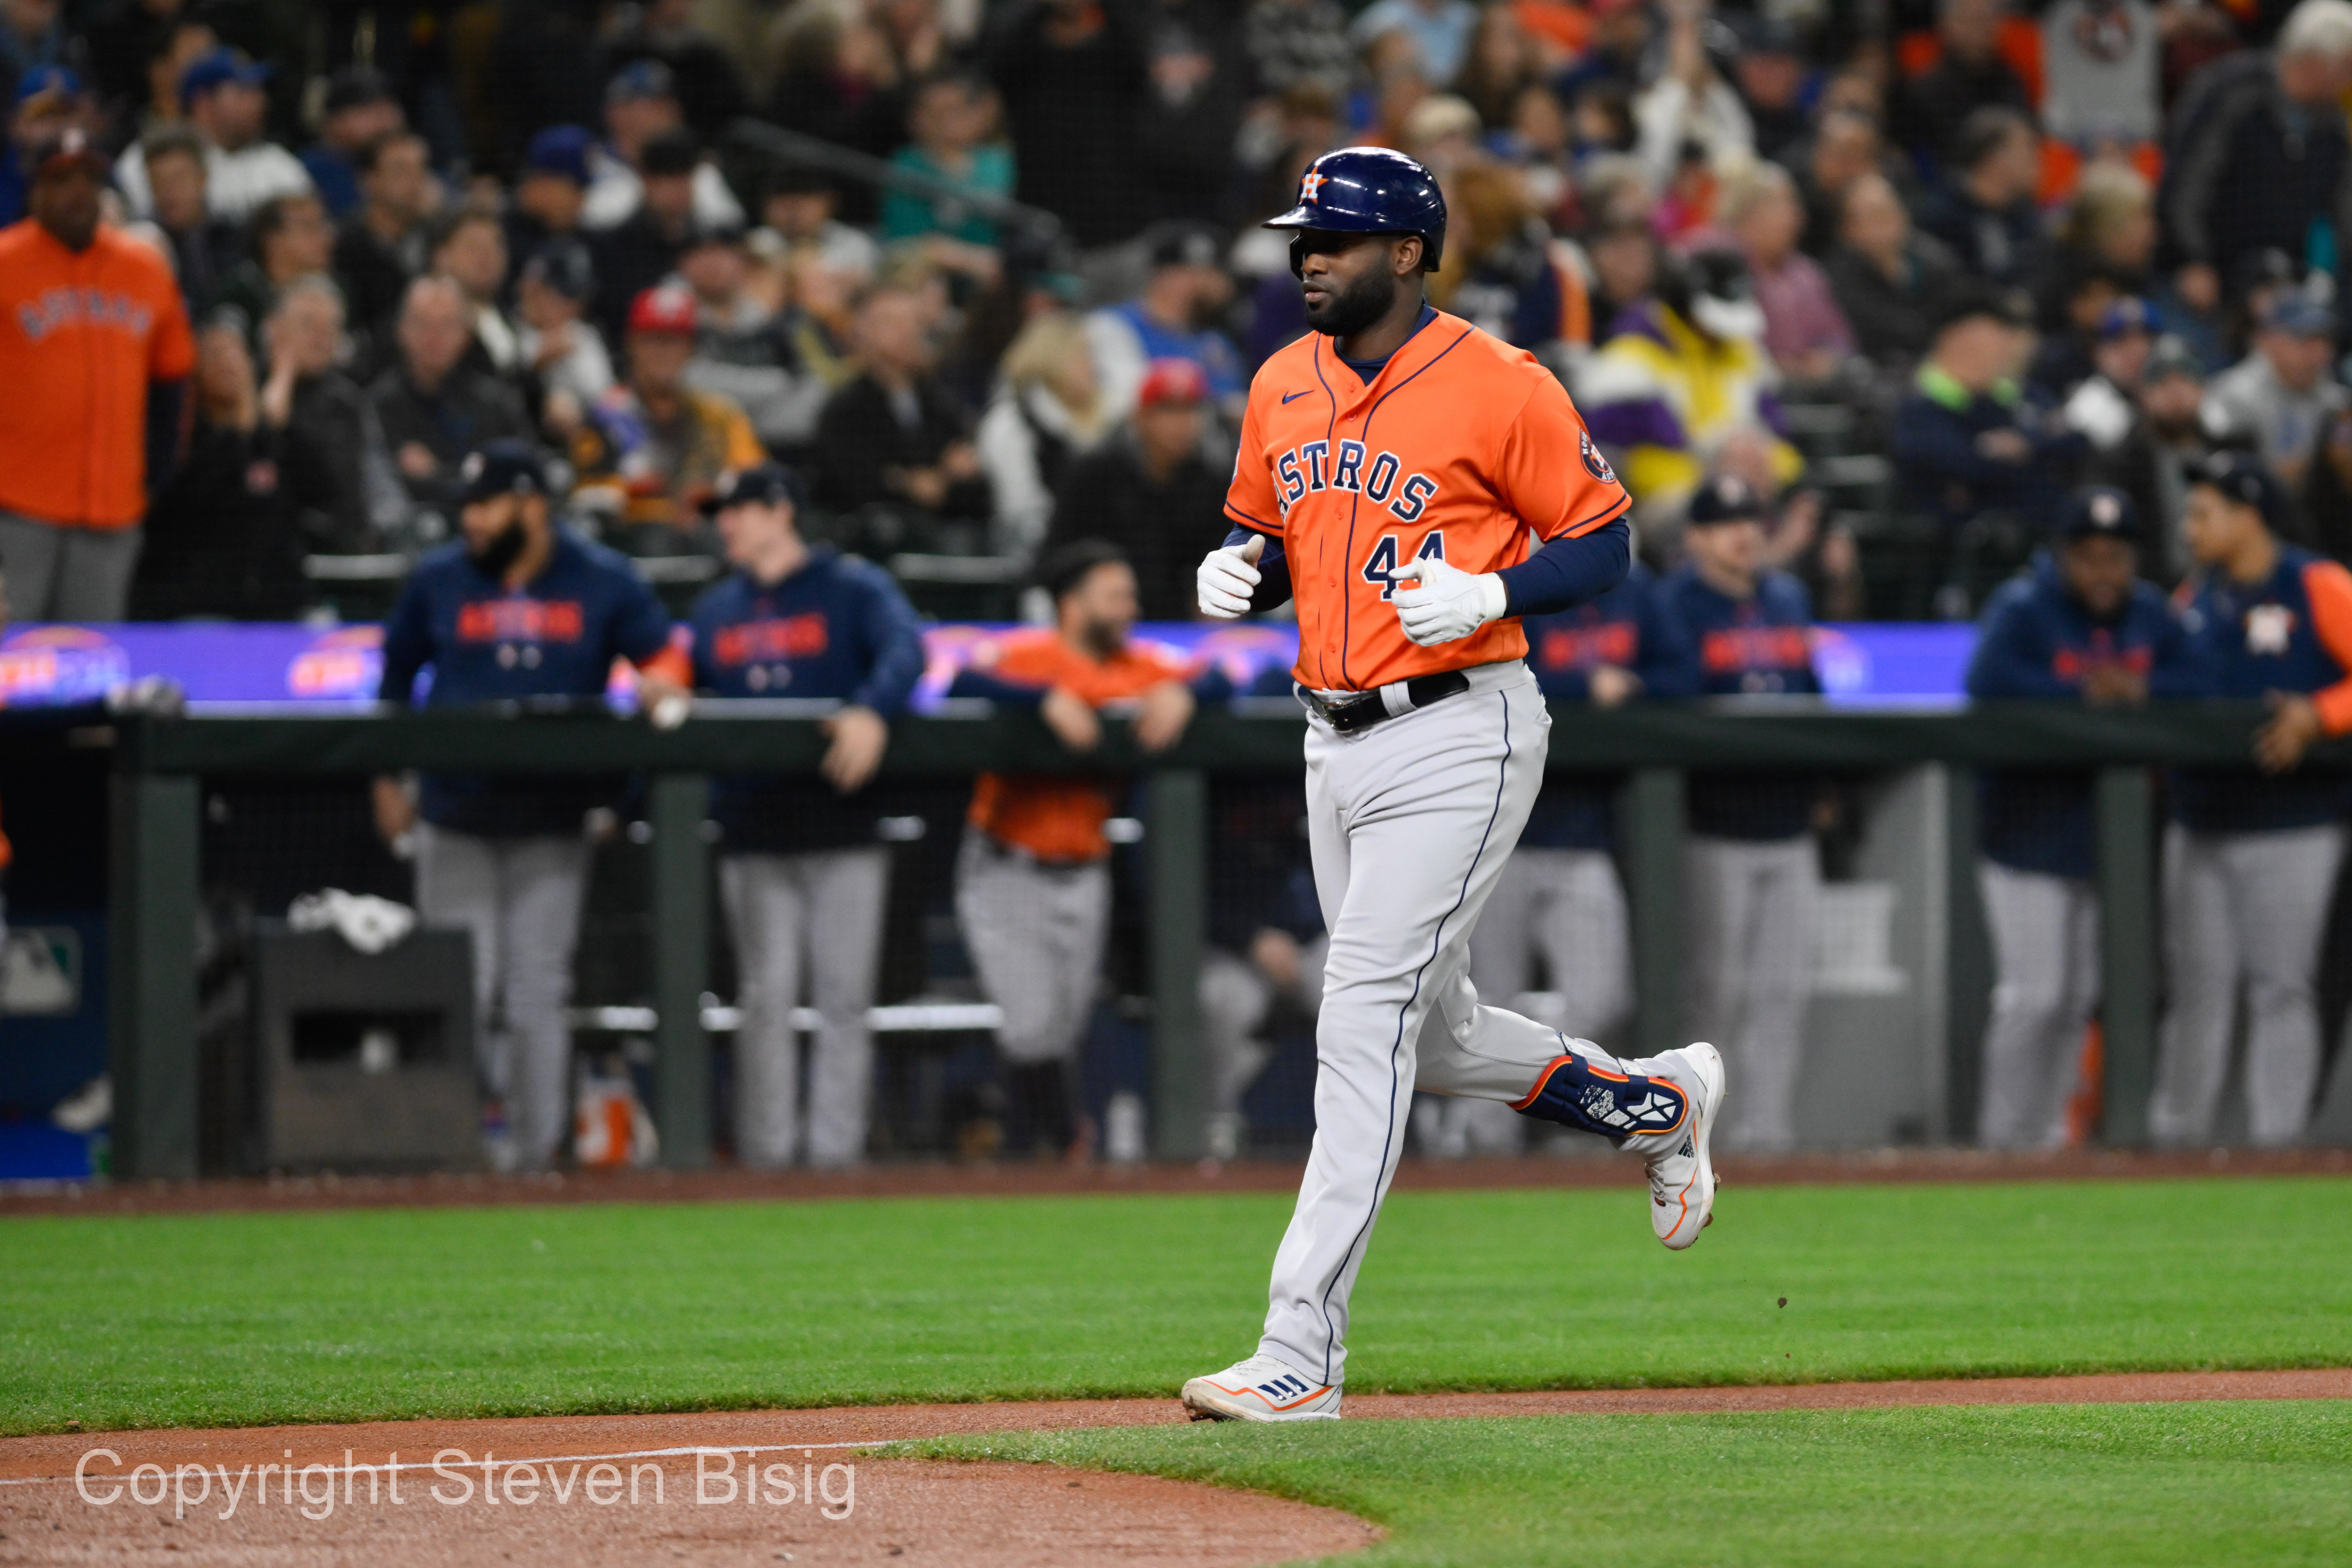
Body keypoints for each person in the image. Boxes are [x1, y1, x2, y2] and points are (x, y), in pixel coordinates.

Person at [1184, 147, 1721, 1425]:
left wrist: (1496, 589)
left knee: (1359, 1013)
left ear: (1412, 252)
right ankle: (1651, 1103)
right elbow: (1284, 530)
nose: (1307, 256)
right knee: (1434, 1034)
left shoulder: (1500, 383)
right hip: (1330, 733)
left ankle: (1299, 1348)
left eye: (1335, 237)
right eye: (1301, 237)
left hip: (1461, 728)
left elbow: (1605, 539)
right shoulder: (1279, 382)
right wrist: (1246, 570)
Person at [374, 440, 689, 1172]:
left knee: (537, 991)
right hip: (455, 812)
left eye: (486, 505)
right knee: (460, 987)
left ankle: (535, 1154)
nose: (472, 520)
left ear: (533, 507)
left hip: (553, 818)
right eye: (468, 506)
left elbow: (665, 654)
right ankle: (459, 1147)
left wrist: (664, 683)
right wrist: (387, 780)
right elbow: (393, 677)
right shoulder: (441, 578)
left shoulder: (599, 577)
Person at [641, 463, 925, 1168]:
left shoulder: (852, 587)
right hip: (754, 824)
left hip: (843, 822)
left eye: (737, 510)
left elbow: (908, 649)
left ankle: (834, 1162)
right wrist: (663, 688)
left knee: (843, 1000)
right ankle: (767, 1164)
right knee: (764, 1001)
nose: (725, 524)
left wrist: (872, 709)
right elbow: (681, 676)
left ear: (779, 511)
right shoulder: (717, 608)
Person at [948, 540, 1207, 1158]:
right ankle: (1069, 1140)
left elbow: (1232, 673)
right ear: (1072, 604)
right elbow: (958, 675)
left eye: (1130, 595)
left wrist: (1185, 694)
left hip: (1086, 867)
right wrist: (1041, 697)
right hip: (1007, 860)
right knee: (1031, 1024)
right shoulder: (1031, 656)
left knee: (1056, 1029)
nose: (1129, 607)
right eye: (1114, 595)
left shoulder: (1133, 666)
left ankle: (1026, 1155)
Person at [1963, 487, 2199, 1148]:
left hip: (2107, 842)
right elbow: (1987, 683)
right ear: (2064, 555)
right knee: (2033, 996)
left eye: (2116, 556)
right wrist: (2084, 692)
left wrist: (2142, 689)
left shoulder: (2149, 611)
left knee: (2076, 1001)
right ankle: (2001, 1141)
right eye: (2090, 556)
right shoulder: (2023, 607)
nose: (2103, 571)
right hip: (2024, 834)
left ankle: (2048, 1141)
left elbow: (2204, 681)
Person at [1456, 560, 1696, 1157]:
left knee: (1605, 993)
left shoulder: (1628, 586)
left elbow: (1685, 672)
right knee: (1483, 1000)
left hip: (1583, 833)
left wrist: (1631, 683)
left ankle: (1574, 1130)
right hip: (1499, 835)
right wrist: (1580, 688)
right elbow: (1464, 672)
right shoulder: (1499, 579)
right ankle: (1481, 1149)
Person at [2152, 453, 2352, 1147]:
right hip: (2201, 816)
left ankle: (2278, 1147)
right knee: (2196, 992)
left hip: (2293, 820)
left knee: (2281, 988)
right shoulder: (2193, 596)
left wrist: (2320, 715)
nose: (2190, 527)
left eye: (2204, 513)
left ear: (2248, 515)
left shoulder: (2316, 582)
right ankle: (2178, 1145)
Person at [1652, 474, 1822, 1153]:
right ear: (1695, 538)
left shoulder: (1788, 598)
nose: (1744, 532)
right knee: (1713, 995)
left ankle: (1770, 1137)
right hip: (1711, 824)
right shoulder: (1675, 605)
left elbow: (1815, 700)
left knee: (1785, 991)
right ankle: (1696, 1138)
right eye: (1725, 521)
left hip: (1790, 822)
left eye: (1751, 517)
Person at [0, 128, 192, 621]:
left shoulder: (143, 268)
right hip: (17, 508)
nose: (78, 192)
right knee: (10, 660)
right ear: (36, 190)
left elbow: (173, 380)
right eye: (62, 179)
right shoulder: (6, 262)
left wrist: (155, 475)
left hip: (112, 511)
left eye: (89, 178)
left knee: (92, 662)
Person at [1577, 247, 1803, 525]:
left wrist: (1764, 466)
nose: (1722, 331)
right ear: (1684, 303)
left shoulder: (1745, 354)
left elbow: (1785, 447)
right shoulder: (1630, 362)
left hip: (1750, 495)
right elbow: (1618, 461)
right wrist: (1715, 478)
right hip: (1665, 505)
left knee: (1808, 511)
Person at [2160, 0, 2352, 321]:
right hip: (2208, 272)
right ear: (2317, 58)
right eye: (2347, 66)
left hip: (2280, 282)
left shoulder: (2331, 123)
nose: (2349, 80)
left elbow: (2345, 206)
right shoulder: (2232, 91)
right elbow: (2188, 183)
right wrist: (2190, 259)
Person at [132, 309, 329, 619]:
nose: (228, 363)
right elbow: (191, 502)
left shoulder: (273, 436)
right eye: (215, 354)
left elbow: (324, 490)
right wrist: (240, 434)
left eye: (236, 352)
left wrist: (273, 425)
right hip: (200, 606)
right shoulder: (184, 438)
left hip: (280, 605)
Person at [569, 281, 762, 550]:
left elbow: (755, 490)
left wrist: (704, 505)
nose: (663, 353)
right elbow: (594, 509)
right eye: (651, 340)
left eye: (674, 341)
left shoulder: (722, 416)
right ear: (631, 345)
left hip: (713, 553)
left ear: (691, 349)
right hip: (632, 555)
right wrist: (667, 505)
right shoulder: (606, 416)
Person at [1042, 358, 1230, 620]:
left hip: (1180, 628)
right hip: (1100, 621)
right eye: (1168, 410)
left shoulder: (1210, 482)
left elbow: (1220, 563)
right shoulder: (1095, 474)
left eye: (1190, 410)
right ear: (1141, 417)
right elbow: (1057, 557)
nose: (1182, 423)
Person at [811, 280, 989, 551]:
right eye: (892, 323)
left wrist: (919, 480)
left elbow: (972, 483)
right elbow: (849, 487)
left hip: (946, 540)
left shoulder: (940, 404)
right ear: (862, 332)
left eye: (913, 323)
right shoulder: (844, 410)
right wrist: (914, 483)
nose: (907, 333)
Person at [369, 274, 532, 550]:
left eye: (446, 325)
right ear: (401, 331)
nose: (433, 338)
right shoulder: (378, 406)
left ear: (466, 335)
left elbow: (518, 477)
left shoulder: (497, 403)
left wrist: (437, 474)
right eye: (422, 324)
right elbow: (386, 491)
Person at [115, 47, 311, 224]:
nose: (260, 101)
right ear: (204, 105)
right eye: (243, 92)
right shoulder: (147, 159)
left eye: (259, 91)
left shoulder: (278, 164)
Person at [975, 310, 1112, 561]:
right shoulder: (1012, 421)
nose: (1093, 367)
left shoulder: (1095, 424)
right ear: (1054, 359)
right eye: (1083, 356)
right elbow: (1019, 512)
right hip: (1033, 559)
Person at [1087, 220, 1245, 423]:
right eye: (1187, 273)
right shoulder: (1110, 326)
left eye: (1207, 273)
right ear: (1161, 274)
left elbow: (1237, 404)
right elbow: (1130, 401)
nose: (1200, 283)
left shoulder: (1215, 344)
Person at [1719, 160, 1853, 386]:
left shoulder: (1806, 273)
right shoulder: (1716, 259)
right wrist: (1772, 364)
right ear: (1749, 212)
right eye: (1787, 207)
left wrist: (1827, 357)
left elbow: (1839, 337)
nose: (1799, 220)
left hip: (1808, 391)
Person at [2202, 292, 2346, 493]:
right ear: (2270, 339)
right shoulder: (2233, 395)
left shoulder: (2336, 401)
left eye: (2324, 340)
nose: (2320, 352)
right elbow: (2229, 475)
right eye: (2306, 339)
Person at [580, 60, 743, 234]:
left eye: (668, 104)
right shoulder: (592, 162)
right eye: (652, 105)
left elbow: (729, 223)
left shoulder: (700, 170)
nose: (668, 112)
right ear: (614, 112)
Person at [1825, 170, 1963, 370]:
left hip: (1942, 367)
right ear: (1848, 229)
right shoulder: (1839, 277)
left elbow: (1960, 308)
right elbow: (1884, 332)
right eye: (1876, 214)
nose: (1889, 220)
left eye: (1892, 208)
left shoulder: (1935, 259)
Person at [331, 129, 435, 358]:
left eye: (421, 169)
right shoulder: (343, 249)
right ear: (369, 181)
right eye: (401, 171)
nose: (415, 181)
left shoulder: (438, 242)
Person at [1919, 107, 2047, 293]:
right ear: (1993, 158)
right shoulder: (1941, 216)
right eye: (2026, 148)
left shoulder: (2024, 217)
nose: (2036, 160)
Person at [882, 69, 1014, 247]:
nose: (948, 121)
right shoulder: (906, 165)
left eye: (956, 110)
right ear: (916, 118)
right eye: (937, 112)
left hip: (997, 263)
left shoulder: (997, 161)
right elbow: (905, 239)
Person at [136, 123, 238, 313]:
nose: (169, 192)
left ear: (202, 178)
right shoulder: (143, 248)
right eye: (158, 182)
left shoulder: (233, 236)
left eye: (179, 178)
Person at [300, 66, 403, 220]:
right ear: (335, 120)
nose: (384, 117)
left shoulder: (397, 158)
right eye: (368, 109)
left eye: (387, 104)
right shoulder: (314, 168)